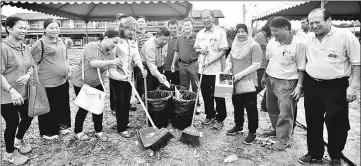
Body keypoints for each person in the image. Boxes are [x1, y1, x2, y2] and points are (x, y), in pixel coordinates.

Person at [298, 8, 360, 166]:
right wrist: (302, 85)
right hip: (312, 85)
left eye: (317, 22)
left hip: (336, 85)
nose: (313, 25)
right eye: (311, 23)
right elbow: (303, 63)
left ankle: (335, 156)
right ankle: (315, 153)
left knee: (336, 123)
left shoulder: (345, 36)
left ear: (329, 20)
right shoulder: (308, 39)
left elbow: (356, 62)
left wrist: (353, 86)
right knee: (313, 121)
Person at [261, 17, 306, 151]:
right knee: (271, 108)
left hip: (287, 82)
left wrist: (299, 86)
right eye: (271, 31)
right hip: (271, 80)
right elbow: (269, 60)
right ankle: (276, 130)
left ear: (286, 28)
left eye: (276, 31)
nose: (273, 34)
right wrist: (265, 76)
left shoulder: (298, 44)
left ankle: (283, 139)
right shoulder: (272, 43)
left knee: (285, 112)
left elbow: (301, 68)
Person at [71, 29, 121, 142]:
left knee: (98, 107)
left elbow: (112, 71)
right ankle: (78, 131)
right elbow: (93, 64)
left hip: (97, 82)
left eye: (117, 43)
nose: (115, 45)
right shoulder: (92, 46)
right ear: (106, 38)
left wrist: (122, 77)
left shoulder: (111, 53)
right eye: (114, 42)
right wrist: (111, 62)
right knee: (84, 107)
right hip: (82, 82)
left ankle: (99, 131)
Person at [1, 16, 35, 165]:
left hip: (24, 92)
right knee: (12, 122)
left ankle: (18, 140)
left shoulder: (25, 47)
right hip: (7, 95)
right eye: (21, 27)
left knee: (28, 116)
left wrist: (28, 75)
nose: (24, 30)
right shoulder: (3, 48)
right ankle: (9, 154)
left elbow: (31, 66)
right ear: (9, 28)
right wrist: (11, 90)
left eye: (26, 28)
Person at [31, 18, 71, 140]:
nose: (55, 30)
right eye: (51, 27)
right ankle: (48, 131)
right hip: (47, 82)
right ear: (45, 29)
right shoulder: (40, 43)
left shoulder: (62, 41)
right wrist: (36, 81)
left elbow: (66, 58)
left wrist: (68, 70)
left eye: (57, 27)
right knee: (49, 107)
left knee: (62, 105)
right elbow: (33, 64)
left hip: (63, 80)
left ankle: (60, 126)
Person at [223, 24, 262, 145]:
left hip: (249, 81)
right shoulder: (235, 45)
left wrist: (240, 74)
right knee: (237, 105)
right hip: (235, 81)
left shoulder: (254, 46)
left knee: (251, 107)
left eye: (243, 31)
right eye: (238, 32)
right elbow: (230, 59)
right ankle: (238, 126)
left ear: (248, 32)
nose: (240, 34)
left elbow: (256, 65)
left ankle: (252, 132)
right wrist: (228, 68)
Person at [110, 17, 147, 138]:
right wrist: (116, 63)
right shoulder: (117, 40)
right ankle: (121, 128)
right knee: (120, 101)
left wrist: (142, 68)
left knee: (126, 101)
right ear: (122, 28)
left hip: (128, 75)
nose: (131, 32)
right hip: (117, 75)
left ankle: (125, 122)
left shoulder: (133, 41)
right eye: (129, 29)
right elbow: (111, 56)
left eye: (133, 30)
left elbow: (136, 56)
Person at [194, 9, 228, 130]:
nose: (206, 20)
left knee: (219, 95)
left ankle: (221, 117)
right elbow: (196, 48)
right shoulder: (200, 33)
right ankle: (209, 114)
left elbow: (224, 50)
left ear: (213, 18)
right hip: (202, 70)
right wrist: (200, 51)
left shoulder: (220, 32)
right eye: (203, 18)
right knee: (206, 94)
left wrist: (211, 60)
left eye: (208, 17)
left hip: (217, 70)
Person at [171, 18, 199, 93]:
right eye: (185, 25)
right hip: (182, 64)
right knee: (183, 85)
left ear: (192, 26)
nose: (187, 27)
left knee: (195, 85)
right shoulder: (179, 38)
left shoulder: (197, 37)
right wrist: (173, 64)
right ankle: (185, 101)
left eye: (188, 25)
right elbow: (176, 51)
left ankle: (196, 102)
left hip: (193, 64)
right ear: (182, 27)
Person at [110, 13, 129, 114]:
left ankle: (124, 107)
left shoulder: (127, 33)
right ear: (117, 22)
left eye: (124, 21)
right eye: (120, 20)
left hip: (125, 65)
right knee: (114, 90)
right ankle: (114, 107)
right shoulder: (113, 33)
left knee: (125, 90)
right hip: (114, 66)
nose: (122, 22)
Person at [253, 16, 274, 112]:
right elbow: (252, 49)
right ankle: (248, 100)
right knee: (260, 85)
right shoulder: (260, 35)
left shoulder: (272, 35)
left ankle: (264, 106)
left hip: (271, 65)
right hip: (261, 65)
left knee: (270, 86)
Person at [141, 27, 170, 91]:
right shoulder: (150, 46)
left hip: (158, 68)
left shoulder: (163, 43)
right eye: (163, 39)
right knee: (149, 90)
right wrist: (159, 75)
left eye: (167, 40)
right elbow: (151, 65)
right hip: (148, 69)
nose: (165, 42)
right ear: (157, 37)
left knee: (158, 88)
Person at [164, 19, 180, 85]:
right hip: (165, 68)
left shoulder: (180, 38)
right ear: (168, 28)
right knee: (165, 87)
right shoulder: (164, 38)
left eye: (175, 28)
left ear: (178, 27)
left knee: (176, 87)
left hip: (177, 68)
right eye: (171, 28)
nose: (173, 30)